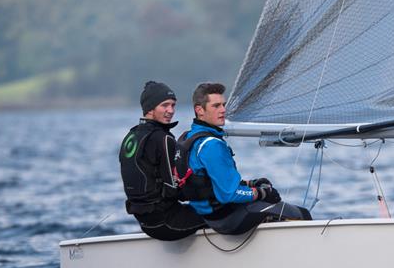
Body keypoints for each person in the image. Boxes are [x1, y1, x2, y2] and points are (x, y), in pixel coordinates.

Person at [179, 82, 312, 235]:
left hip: (206, 215)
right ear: (199, 110)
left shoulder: (189, 137)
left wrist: (250, 184)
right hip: (225, 218)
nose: (223, 110)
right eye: (216, 106)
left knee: (267, 206)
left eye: (224, 104)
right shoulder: (212, 145)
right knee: (302, 214)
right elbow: (229, 194)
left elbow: (210, 182)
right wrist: (261, 193)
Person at [120, 81, 206, 240]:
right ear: (150, 108)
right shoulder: (164, 139)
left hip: (146, 223)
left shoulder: (130, 136)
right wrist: (212, 191)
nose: (171, 111)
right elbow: (175, 189)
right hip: (167, 222)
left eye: (173, 105)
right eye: (165, 105)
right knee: (222, 212)